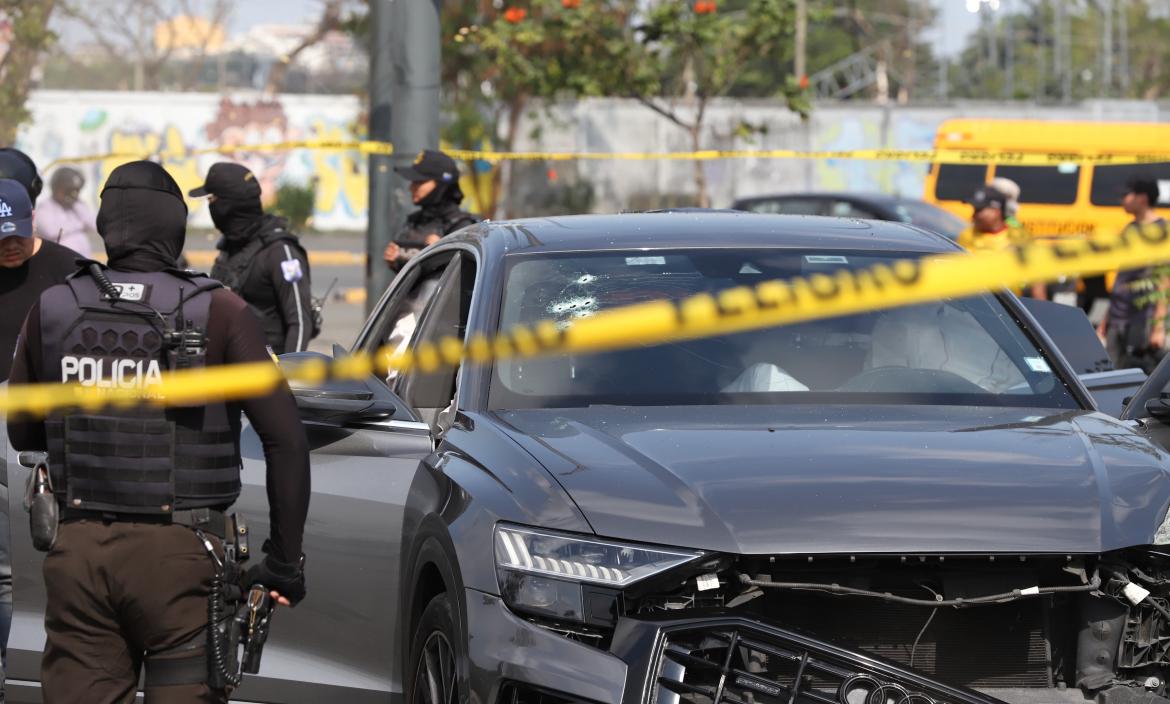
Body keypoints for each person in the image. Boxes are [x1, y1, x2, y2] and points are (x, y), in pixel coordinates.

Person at [6, 161, 311, 703]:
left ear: (105, 224)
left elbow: (23, 431)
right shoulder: (219, 309)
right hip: (183, 559)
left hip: (79, 551)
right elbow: (286, 440)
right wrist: (284, 564)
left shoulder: (54, 305)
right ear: (175, 225)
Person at [191, 162, 316, 354]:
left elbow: (300, 321)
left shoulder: (280, 252)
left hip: (265, 374)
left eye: (211, 200)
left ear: (227, 205)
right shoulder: (231, 247)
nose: (211, 208)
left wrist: (287, 376)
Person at [0, 177, 78, 382]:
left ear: (33, 219)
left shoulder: (70, 269)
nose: (10, 246)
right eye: (1, 239)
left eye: (18, 235)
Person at [1097, 176, 1168, 372]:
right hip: (1118, 318)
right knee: (1112, 374)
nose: (1122, 200)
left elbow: (1164, 280)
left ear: (1142, 198)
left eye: (1126, 195)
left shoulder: (1161, 230)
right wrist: (1105, 321)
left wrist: (1158, 327)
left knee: (1140, 377)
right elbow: (1122, 278)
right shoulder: (1130, 229)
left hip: (1141, 319)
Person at [384, 149, 479, 272]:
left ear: (441, 184)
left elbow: (466, 277)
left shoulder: (463, 226)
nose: (411, 187)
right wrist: (395, 261)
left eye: (419, 182)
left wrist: (443, 253)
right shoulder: (414, 221)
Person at [34, 166, 97, 258]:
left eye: (75, 190)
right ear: (56, 187)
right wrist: (79, 225)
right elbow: (51, 231)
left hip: (85, 261)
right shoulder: (45, 207)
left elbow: (94, 224)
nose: (72, 194)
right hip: (61, 264)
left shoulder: (78, 205)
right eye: (68, 190)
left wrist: (76, 204)